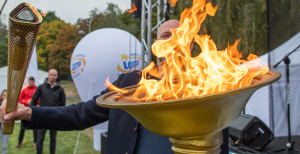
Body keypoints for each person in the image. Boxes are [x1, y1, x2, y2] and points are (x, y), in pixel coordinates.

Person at [0, 20, 229, 154]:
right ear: (156, 45)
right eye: (165, 36)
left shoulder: (208, 88)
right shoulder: (130, 83)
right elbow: (81, 114)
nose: (171, 41)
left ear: (190, 44)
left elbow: (221, 139)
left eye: (179, 36)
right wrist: (29, 112)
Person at [31, 69, 66, 154]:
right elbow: (34, 101)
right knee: (40, 138)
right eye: (51, 74)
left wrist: (59, 115)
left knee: (53, 139)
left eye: (54, 75)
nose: (52, 76)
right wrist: (34, 112)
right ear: (48, 75)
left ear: (56, 76)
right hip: (42, 117)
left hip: (54, 118)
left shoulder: (60, 90)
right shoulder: (41, 87)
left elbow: (63, 104)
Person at [17, 76, 38, 149]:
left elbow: (40, 99)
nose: (31, 82)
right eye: (30, 81)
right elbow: (19, 100)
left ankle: (35, 143)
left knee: (35, 128)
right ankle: (19, 143)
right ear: (28, 82)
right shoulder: (24, 90)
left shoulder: (37, 89)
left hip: (35, 111)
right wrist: (26, 101)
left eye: (32, 81)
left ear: (34, 82)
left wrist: (34, 102)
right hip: (25, 110)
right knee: (22, 128)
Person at [0, 90, 9, 154]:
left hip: (6, 127)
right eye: (4, 95)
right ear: (1, 96)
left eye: (7, 95)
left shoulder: (11, 106)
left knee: (4, 146)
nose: (6, 97)